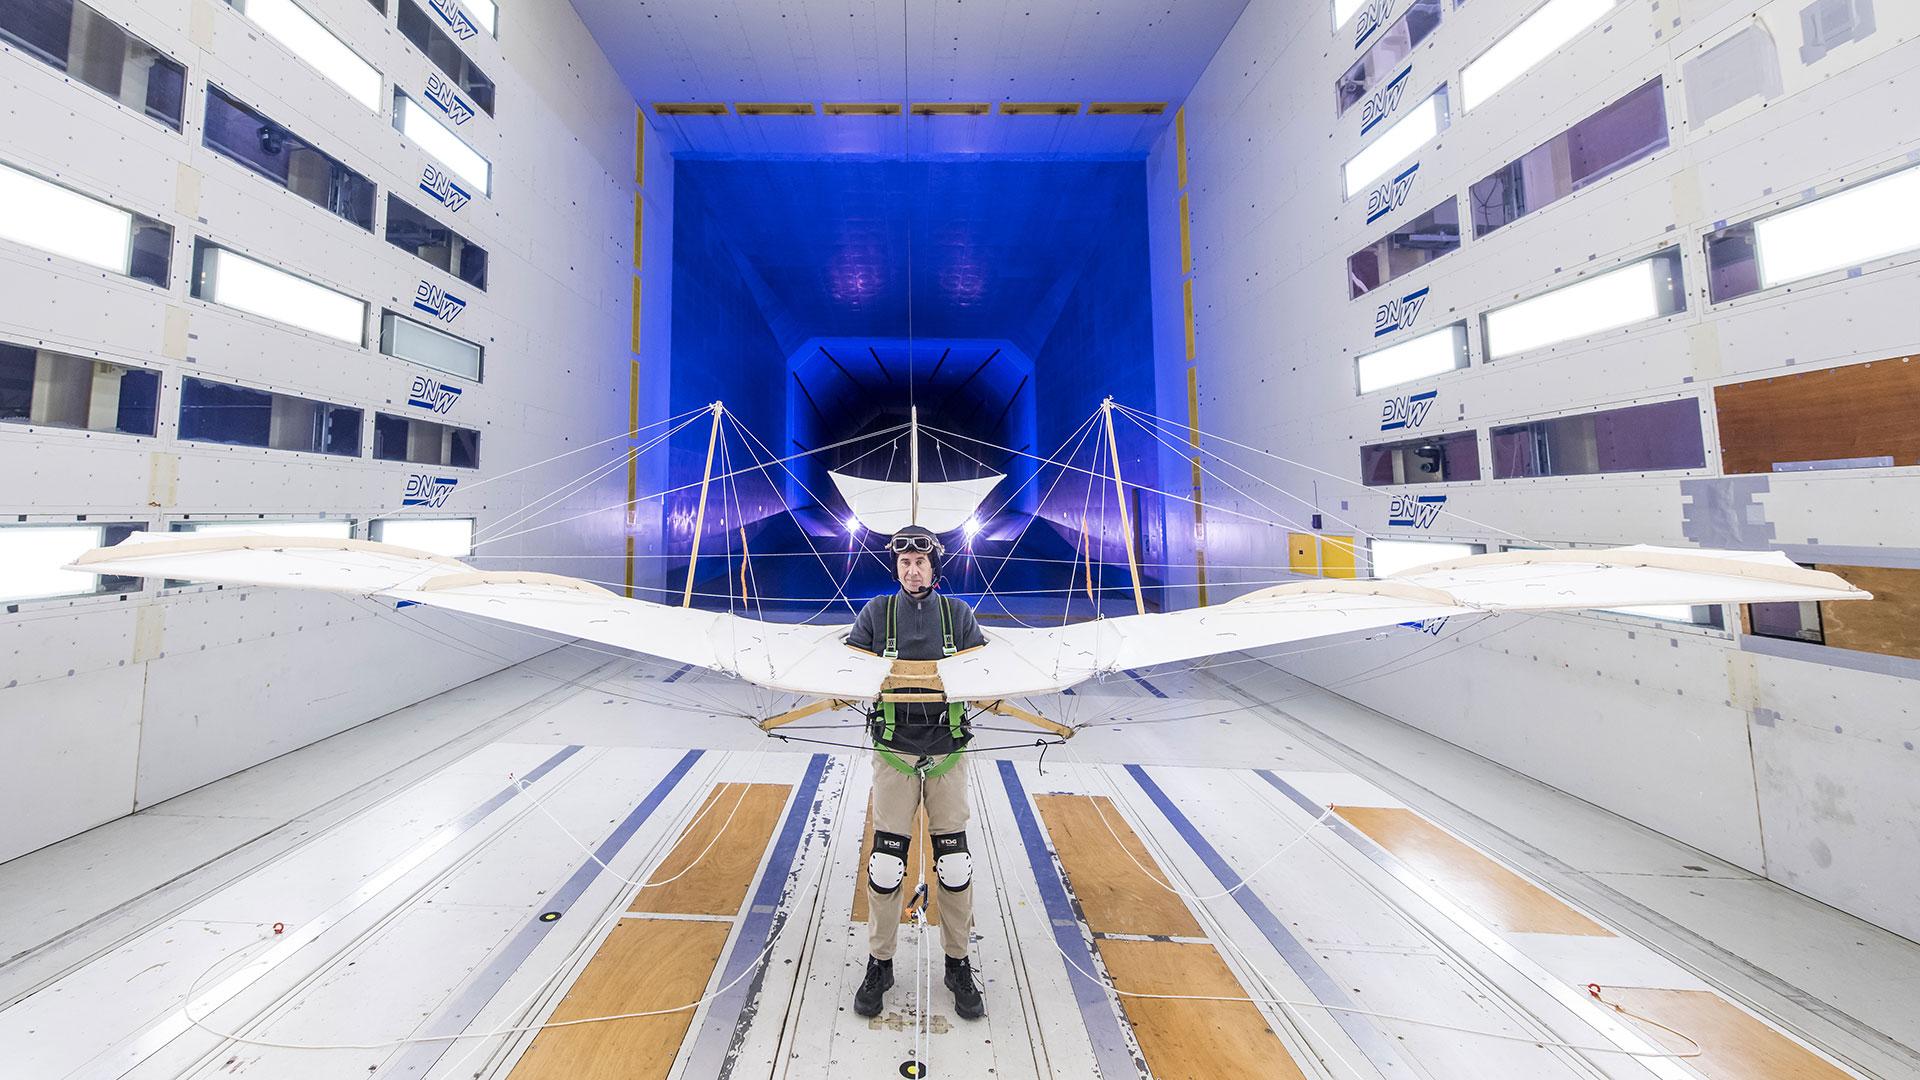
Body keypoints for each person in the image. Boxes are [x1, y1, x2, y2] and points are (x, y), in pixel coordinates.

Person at [844, 524, 989, 1021]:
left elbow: (983, 671)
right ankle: (880, 962)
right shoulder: (875, 615)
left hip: (947, 751)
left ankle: (957, 960)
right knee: (886, 865)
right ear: (896, 567)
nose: (912, 569)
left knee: (954, 864)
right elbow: (847, 670)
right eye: (904, 563)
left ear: (935, 566)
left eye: (920, 562)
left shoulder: (960, 616)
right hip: (893, 752)